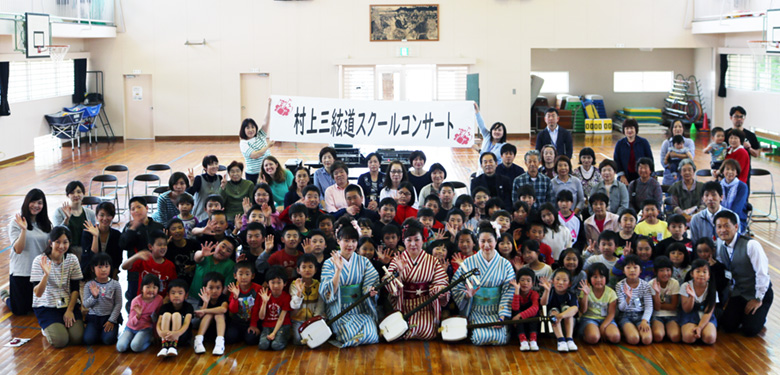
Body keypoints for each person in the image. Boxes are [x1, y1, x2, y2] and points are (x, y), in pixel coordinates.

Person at [451, 222, 515, 346]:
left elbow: (508, 291)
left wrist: (502, 317)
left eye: (490, 241)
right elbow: (456, 286)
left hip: (496, 310)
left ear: (496, 241)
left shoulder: (505, 264)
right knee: (481, 337)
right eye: (482, 241)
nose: (486, 245)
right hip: (476, 309)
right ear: (478, 242)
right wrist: (466, 296)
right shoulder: (469, 262)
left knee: (500, 337)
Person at [386, 219, 449, 340]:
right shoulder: (397, 259)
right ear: (403, 241)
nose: (413, 244)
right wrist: (399, 273)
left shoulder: (432, 260)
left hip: (424, 306)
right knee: (400, 332)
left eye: (417, 240)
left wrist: (439, 290)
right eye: (409, 240)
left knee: (426, 331)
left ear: (423, 240)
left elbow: (441, 281)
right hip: (403, 305)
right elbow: (389, 283)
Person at [319, 224, 381, 348]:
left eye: (353, 241)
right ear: (338, 241)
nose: (350, 245)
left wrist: (370, 291)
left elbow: (371, 281)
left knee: (373, 335)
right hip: (340, 310)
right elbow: (327, 293)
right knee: (350, 335)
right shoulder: (329, 263)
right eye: (346, 240)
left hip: (360, 307)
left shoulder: (363, 261)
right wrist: (338, 271)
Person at [715, 210, 773, 337]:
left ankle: (760, 313)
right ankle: (744, 315)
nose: (722, 230)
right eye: (719, 227)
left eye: (726, 226)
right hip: (739, 292)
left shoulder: (751, 245)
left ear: (736, 227)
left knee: (750, 330)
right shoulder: (720, 245)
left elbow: (762, 273)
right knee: (727, 326)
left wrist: (758, 299)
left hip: (758, 293)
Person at [31, 226, 84, 348]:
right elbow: (38, 294)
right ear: (51, 243)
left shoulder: (72, 259)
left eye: (65, 242)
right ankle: (47, 327)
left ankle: (60, 324)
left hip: (68, 304)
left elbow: (75, 289)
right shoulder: (39, 261)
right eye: (58, 242)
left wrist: (70, 310)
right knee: (60, 341)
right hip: (47, 306)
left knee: (77, 338)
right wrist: (46, 275)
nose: (61, 246)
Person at [3, 189, 52, 316]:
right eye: (33, 201)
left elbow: (52, 245)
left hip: (39, 273)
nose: (36, 205)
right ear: (27, 202)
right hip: (21, 272)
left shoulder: (46, 224)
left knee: (36, 309)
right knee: (19, 311)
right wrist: (24, 230)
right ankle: (5, 296)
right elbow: (18, 249)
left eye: (39, 203)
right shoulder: (16, 223)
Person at [121, 230, 178, 296]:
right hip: (142, 302)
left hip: (161, 302)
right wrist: (137, 256)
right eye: (159, 245)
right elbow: (124, 266)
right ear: (150, 247)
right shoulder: (144, 259)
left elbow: (173, 285)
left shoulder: (170, 265)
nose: (163, 247)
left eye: (165, 245)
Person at [82, 253, 122, 346]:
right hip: (94, 318)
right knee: (88, 340)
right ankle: (97, 332)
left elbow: (118, 304)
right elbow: (86, 304)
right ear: (93, 269)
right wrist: (94, 297)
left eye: (106, 266)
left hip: (108, 317)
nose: (103, 269)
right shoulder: (89, 285)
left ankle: (109, 331)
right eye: (100, 267)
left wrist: (112, 320)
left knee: (108, 340)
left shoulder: (115, 284)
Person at [117, 274, 163, 353]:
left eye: (154, 287)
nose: (151, 290)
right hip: (131, 328)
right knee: (121, 347)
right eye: (148, 287)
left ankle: (147, 339)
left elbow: (157, 318)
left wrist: (156, 334)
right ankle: (132, 340)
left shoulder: (159, 299)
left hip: (145, 328)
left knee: (135, 347)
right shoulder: (136, 300)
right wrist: (138, 316)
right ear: (142, 288)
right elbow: (131, 322)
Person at [53, 181, 96, 263]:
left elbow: (93, 234)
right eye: (72, 192)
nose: (76, 195)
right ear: (68, 195)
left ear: (83, 194)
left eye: (79, 192)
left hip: (85, 253)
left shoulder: (90, 213)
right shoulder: (59, 212)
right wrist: (66, 219)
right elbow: (56, 234)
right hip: (66, 253)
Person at [615, 254, 653, 345]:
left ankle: (636, 329)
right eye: (628, 267)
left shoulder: (645, 285)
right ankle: (626, 330)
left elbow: (649, 306)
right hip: (625, 315)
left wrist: (644, 321)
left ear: (640, 270)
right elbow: (621, 308)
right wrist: (628, 298)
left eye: (635, 267)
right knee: (634, 339)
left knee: (647, 340)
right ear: (623, 271)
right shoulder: (619, 285)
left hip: (641, 315)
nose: (632, 270)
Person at [578, 263, 620, 345]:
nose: (598, 280)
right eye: (595, 277)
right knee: (593, 338)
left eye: (602, 277)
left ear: (606, 278)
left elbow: (611, 314)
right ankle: (584, 333)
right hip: (589, 319)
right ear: (590, 278)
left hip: (606, 319)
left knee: (615, 337)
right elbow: (583, 310)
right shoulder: (586, 290)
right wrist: (585, 295)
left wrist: (603, 326)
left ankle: (599, 331)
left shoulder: (611, 292)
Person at [679, 259, 718, 345]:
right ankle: (697, 333)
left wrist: (700, 327)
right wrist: (692, 297)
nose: (701, 274)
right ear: (692, 274)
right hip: (689, 316)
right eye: (698, 271)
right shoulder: (685, 286)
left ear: (709, 276)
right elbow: (686, 310)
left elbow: (708, 312)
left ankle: (700, 332)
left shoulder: (712, 290)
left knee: (710, 338)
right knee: (688, 338)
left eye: (704, 272)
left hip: (705, 317)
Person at [290, 254, 325, 345]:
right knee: (298, 341)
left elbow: (320, 304)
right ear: (298, 270)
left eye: (310, 267)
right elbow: (294, 306)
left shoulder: (318, 285)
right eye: (304, 267)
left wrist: (314, 320)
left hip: (313, 319)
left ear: (315, 270)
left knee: (317, 340)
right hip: (297, 319)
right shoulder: (294, 284)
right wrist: (299, 292)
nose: (307, 270)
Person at [540, 268, 579, 352]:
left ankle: (569, 339)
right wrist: (547, 290)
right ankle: (561, 340)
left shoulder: (571, 294)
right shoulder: (550, 292)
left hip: (568, 326)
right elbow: (543, 304)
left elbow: (575, 309)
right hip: (551, 326)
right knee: (554, 311)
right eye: (558, 279)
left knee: (568, 310)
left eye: (564, 280)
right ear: (553, 281)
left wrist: (561, 316)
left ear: (569, 284)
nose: (560, 282)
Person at [225, 261, 262, 345]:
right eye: (240, 274)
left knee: (251, 340)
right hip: (237, 322)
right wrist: (235, 297)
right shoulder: (234, 289)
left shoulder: (257, 289)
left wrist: (253, 325)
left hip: (252, 321)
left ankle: (248, 334)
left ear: (252, 276)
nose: (244, 277)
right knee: (230, 338)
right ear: (235, 276)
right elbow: (233, 310)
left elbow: (256, 308)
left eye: (247, 274)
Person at [193, 272, 229, 355]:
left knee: (219, 314)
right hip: (207, 329)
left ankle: (220, 343)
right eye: (211, 288)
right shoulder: (204, 298)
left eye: (218, 288)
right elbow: (200, 315)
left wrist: (205, 310)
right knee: (209, 315)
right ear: (205, 288)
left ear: (223, 288)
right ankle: (198, 340)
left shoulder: (223, 297)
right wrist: (205, 303)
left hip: (221, 329)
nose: (214, 291)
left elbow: (223, 309)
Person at [155, 278, 193, 357]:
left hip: (181, 336)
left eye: (180, 293)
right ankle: (164, 346)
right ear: (168, 295)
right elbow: (159, 322)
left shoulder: (188, 307)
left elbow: (187, 322)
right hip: (166, 336)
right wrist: (159, 332)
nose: (176, 295)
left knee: (176, 315)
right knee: (166, 315)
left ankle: (173, 346)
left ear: (186, 295)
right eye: (173, 293)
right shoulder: (165, 307)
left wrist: (177, 333)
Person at [258, 265, 293, 351]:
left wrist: (273, 333)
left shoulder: (286, 297)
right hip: (267, 325)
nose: (276, 286)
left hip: (282, 326)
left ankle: (284, 337)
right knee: (263, 345)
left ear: (284, 283)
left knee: (276, 346)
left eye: (279, 282)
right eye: (273, 282)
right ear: (268, 283)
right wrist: (264, 302)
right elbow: (261, 317)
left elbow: (281, 318)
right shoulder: (265, 295)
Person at [725, 106, 760, 186]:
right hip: (727, 171)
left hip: (744, 172)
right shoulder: (725, 134)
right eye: (736, 116)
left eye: (741, 117)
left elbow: (756, 154)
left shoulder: (750, 135)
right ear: (731, 117)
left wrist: (749, 148)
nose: (739, 119)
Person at [649, 256, 681, 343]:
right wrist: (657, 293)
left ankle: (667, 329)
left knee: (675, 337)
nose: (665, 273)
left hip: (672, 315)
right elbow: (657, 308)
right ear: (655, 271)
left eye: (668, 270)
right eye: (661, 270)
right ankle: (663, 330)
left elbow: (673, 306)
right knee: (658, 336)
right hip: (657, 316)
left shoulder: (674, 283)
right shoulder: (651, 284)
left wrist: (660, 304)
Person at [613, 119, 654, 185]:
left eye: (631, 128)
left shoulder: (643, 142)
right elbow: (616, 161)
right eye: (627, 128)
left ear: (636, 129)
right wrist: (622, 176)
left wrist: (649, 175)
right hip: (625, 176)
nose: (629, 130)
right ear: (624, 130)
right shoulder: (619, 144)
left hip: (641, 175)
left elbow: (650, 159)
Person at [238, 111, 274, 184]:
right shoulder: (243, 143)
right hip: (254, 174)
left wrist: (269, 104)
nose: (251, 130)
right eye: (248, 128)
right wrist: (267, 146)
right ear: (243, 130)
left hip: (267, 170)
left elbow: (266, 121)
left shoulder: (260, 135)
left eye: (252, 127)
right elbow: (255, 155)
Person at [511, 268, 540, 351]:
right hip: (518, 325)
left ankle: (533, 339)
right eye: (522, 280)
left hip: (530, 321)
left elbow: (535, 308)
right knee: (516, 311)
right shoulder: (514, 293)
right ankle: (523, 340)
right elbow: (515, 308)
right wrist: (517, 291)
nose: (525, 283)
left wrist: (520, 316)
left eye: (528, 280)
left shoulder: (534, 294)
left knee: (534, 314)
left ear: (532, 284)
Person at [187, 155, 223, 222]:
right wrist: (191, 183)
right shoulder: (199, 179)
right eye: (211, 164)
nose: (214, 166)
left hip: (215, 214)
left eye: (216, 163)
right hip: (201, 214)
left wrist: (224, 188)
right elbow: (189, 193)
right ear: (205, 167)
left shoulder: (220, 178)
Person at [659, 120, 696, 186]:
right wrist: (673, 168)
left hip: (686, 173)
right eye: (675, 127)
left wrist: (675, 155)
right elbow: (663, 160)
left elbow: (691, 158)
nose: (678, 129)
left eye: (680, 127)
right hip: (670, 173)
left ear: (683, 129)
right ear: (672, 129)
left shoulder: (689, 142)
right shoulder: (666, 143)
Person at [719, 159, 749, 231]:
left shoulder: (742, 187)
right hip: (718, 218)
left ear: (736, 173)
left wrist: (725, 220)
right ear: (723, 171)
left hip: (737, 219)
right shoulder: (717, 184)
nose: (730, 172)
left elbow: (737, 208)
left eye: (733, 170)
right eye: (727, 169)